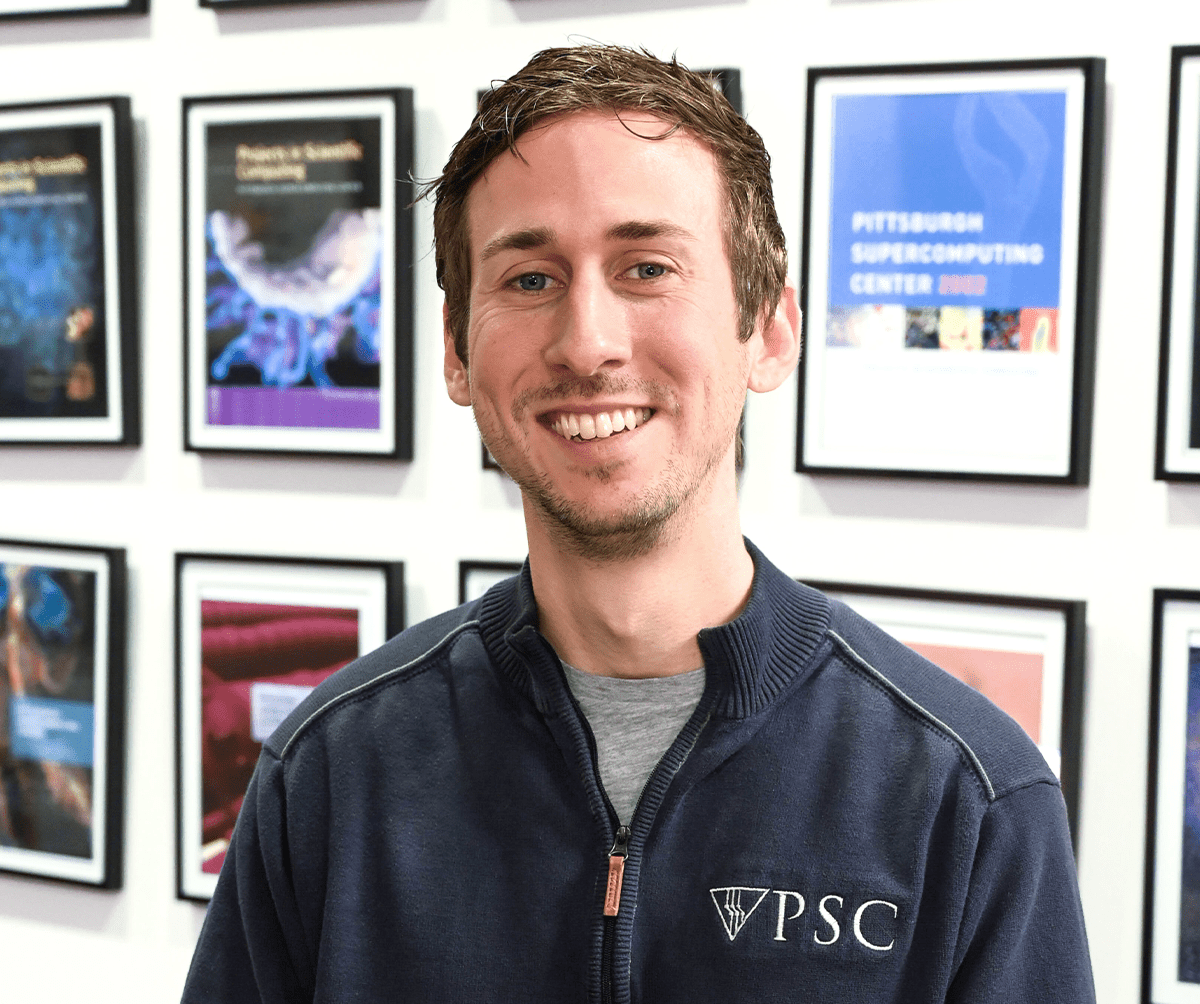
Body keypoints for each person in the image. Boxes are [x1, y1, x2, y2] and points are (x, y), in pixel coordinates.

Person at [181, 44, 1094, 1003]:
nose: (588, 343)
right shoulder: (328, 775)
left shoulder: (965, 797)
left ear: (769, 331)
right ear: (456, 351)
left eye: (647, 267)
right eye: (530, 279)